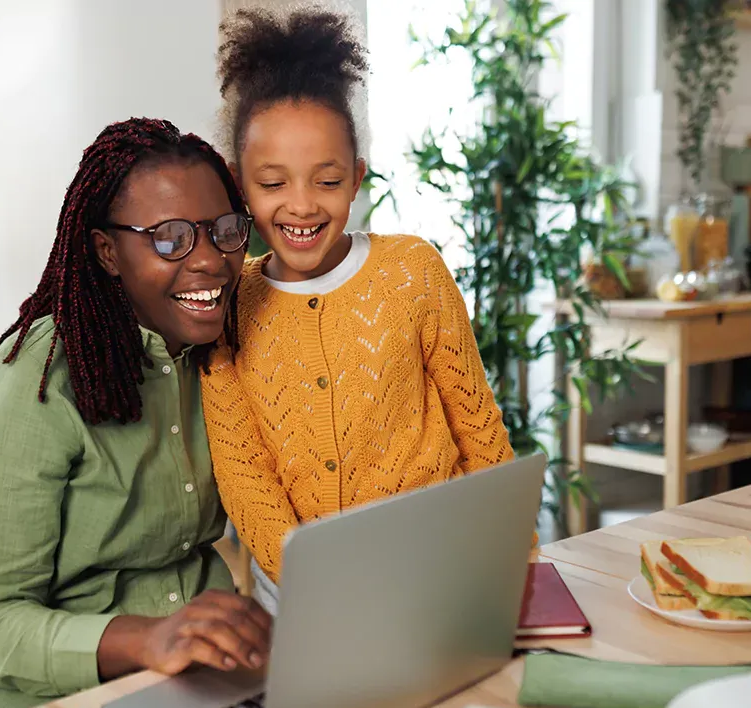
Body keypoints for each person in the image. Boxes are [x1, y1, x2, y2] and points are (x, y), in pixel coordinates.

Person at [0, 117, 272, 708]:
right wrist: (147, 640)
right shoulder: (35, 383)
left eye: (224, 232)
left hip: (190, 687)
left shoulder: (222, 353)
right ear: (107, 252)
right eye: (170, 239)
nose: (211, 262)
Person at [200, 6, 515, 615]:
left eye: (326, 180)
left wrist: (516, 558)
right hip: (305, 599)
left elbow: (479, 429)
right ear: (240, 185)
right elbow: (246, 478)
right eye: (273, 184)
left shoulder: (412, 271)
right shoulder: (228, 304)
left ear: (357, 178)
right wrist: (319, 585)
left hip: (444, 570)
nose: (301, 205)